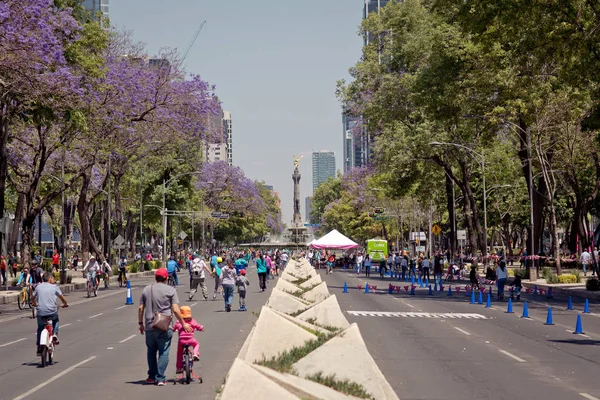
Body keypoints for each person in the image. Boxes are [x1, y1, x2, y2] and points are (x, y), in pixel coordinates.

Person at [138, 268, 191, 386]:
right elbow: (176, 310)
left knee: (151, 351)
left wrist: (140, 323)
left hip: (149, 326)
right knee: (164, 352)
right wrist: (183, 323)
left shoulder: (147, 289)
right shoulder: (171, 290)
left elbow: (141, 308)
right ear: (167, 278)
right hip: (165, 326)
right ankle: (160, 378)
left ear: (155, 278)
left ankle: (151, 376)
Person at [31, 272, 68, 356]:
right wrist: (65, 304)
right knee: (56, 319)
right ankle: (55, 333)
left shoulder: (38, 287)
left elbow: (32, 297)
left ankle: (39, 347)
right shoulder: (54, 287)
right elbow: (62, 298)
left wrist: (34, 303)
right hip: (52, 312)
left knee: (40, 328)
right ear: (50, 279)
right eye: (53, 278)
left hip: (40, 312)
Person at [173, 306, 204, 373]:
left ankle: (179, 368)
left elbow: (174, 327)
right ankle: (195, 354)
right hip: (190, 339)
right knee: (196, 344)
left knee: (179, 353)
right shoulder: (192, 321)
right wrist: (201, 328)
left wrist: (174, 329)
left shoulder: (179, 321)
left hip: (181, 340)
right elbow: (198, 326)